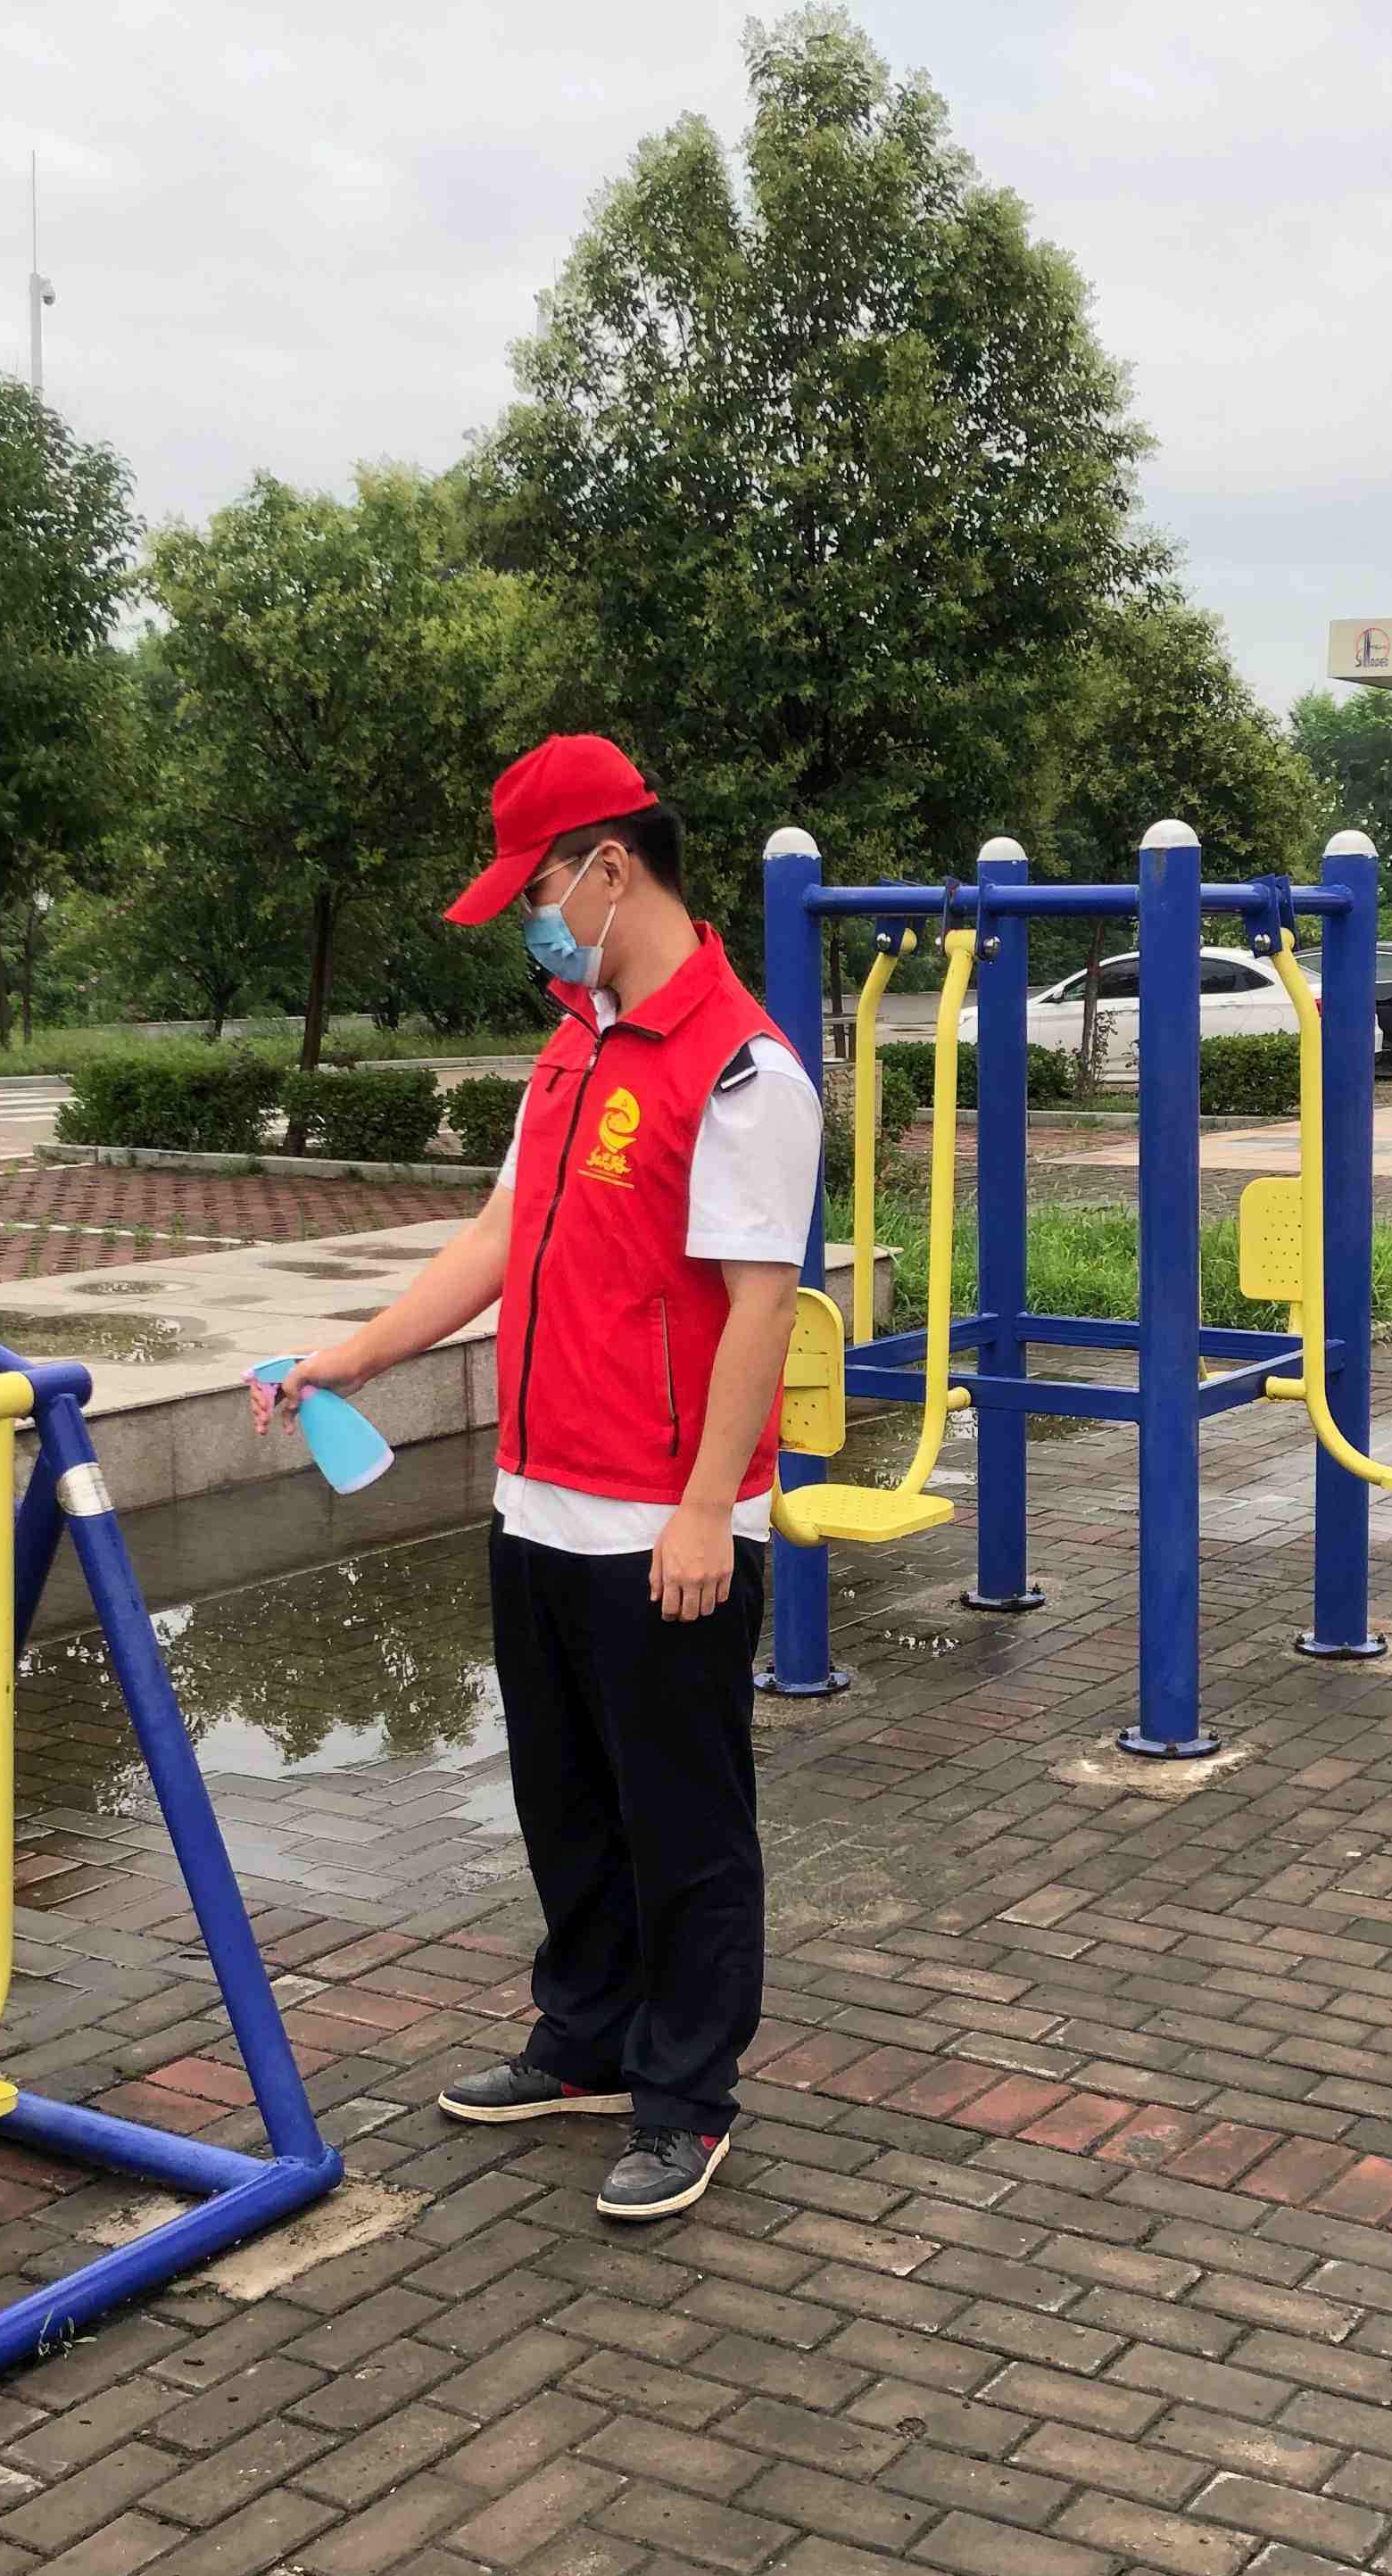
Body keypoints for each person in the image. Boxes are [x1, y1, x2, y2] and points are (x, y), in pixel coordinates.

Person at [276, 734, 817, 2221]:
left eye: (537, 889)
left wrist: (704, 1508)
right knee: (567, 1801)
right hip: (542, 1497)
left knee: (684, 1823)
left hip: (664, 1520)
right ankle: (585, 2036)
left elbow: (762, 1304)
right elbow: (499, 1240)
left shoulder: (741, 1068)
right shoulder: (575, 1045)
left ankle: (685, 2095)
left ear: (610, 869)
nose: (532, 919)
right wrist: (352, 1356)